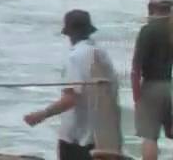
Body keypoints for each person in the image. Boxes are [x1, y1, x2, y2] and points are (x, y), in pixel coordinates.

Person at [24, 9, 118, 160]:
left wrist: (42, 114)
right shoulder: (101, 53)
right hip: (103, 137)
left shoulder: (75, 57)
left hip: (77, 139)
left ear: (69, 32)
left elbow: (71, 98)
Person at [132, 0, 173, 160]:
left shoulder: (148, 30)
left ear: (151, 6)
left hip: (152, 87)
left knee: (150, 137)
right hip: (169, 85)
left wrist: (136, 94)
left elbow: (136, 67)